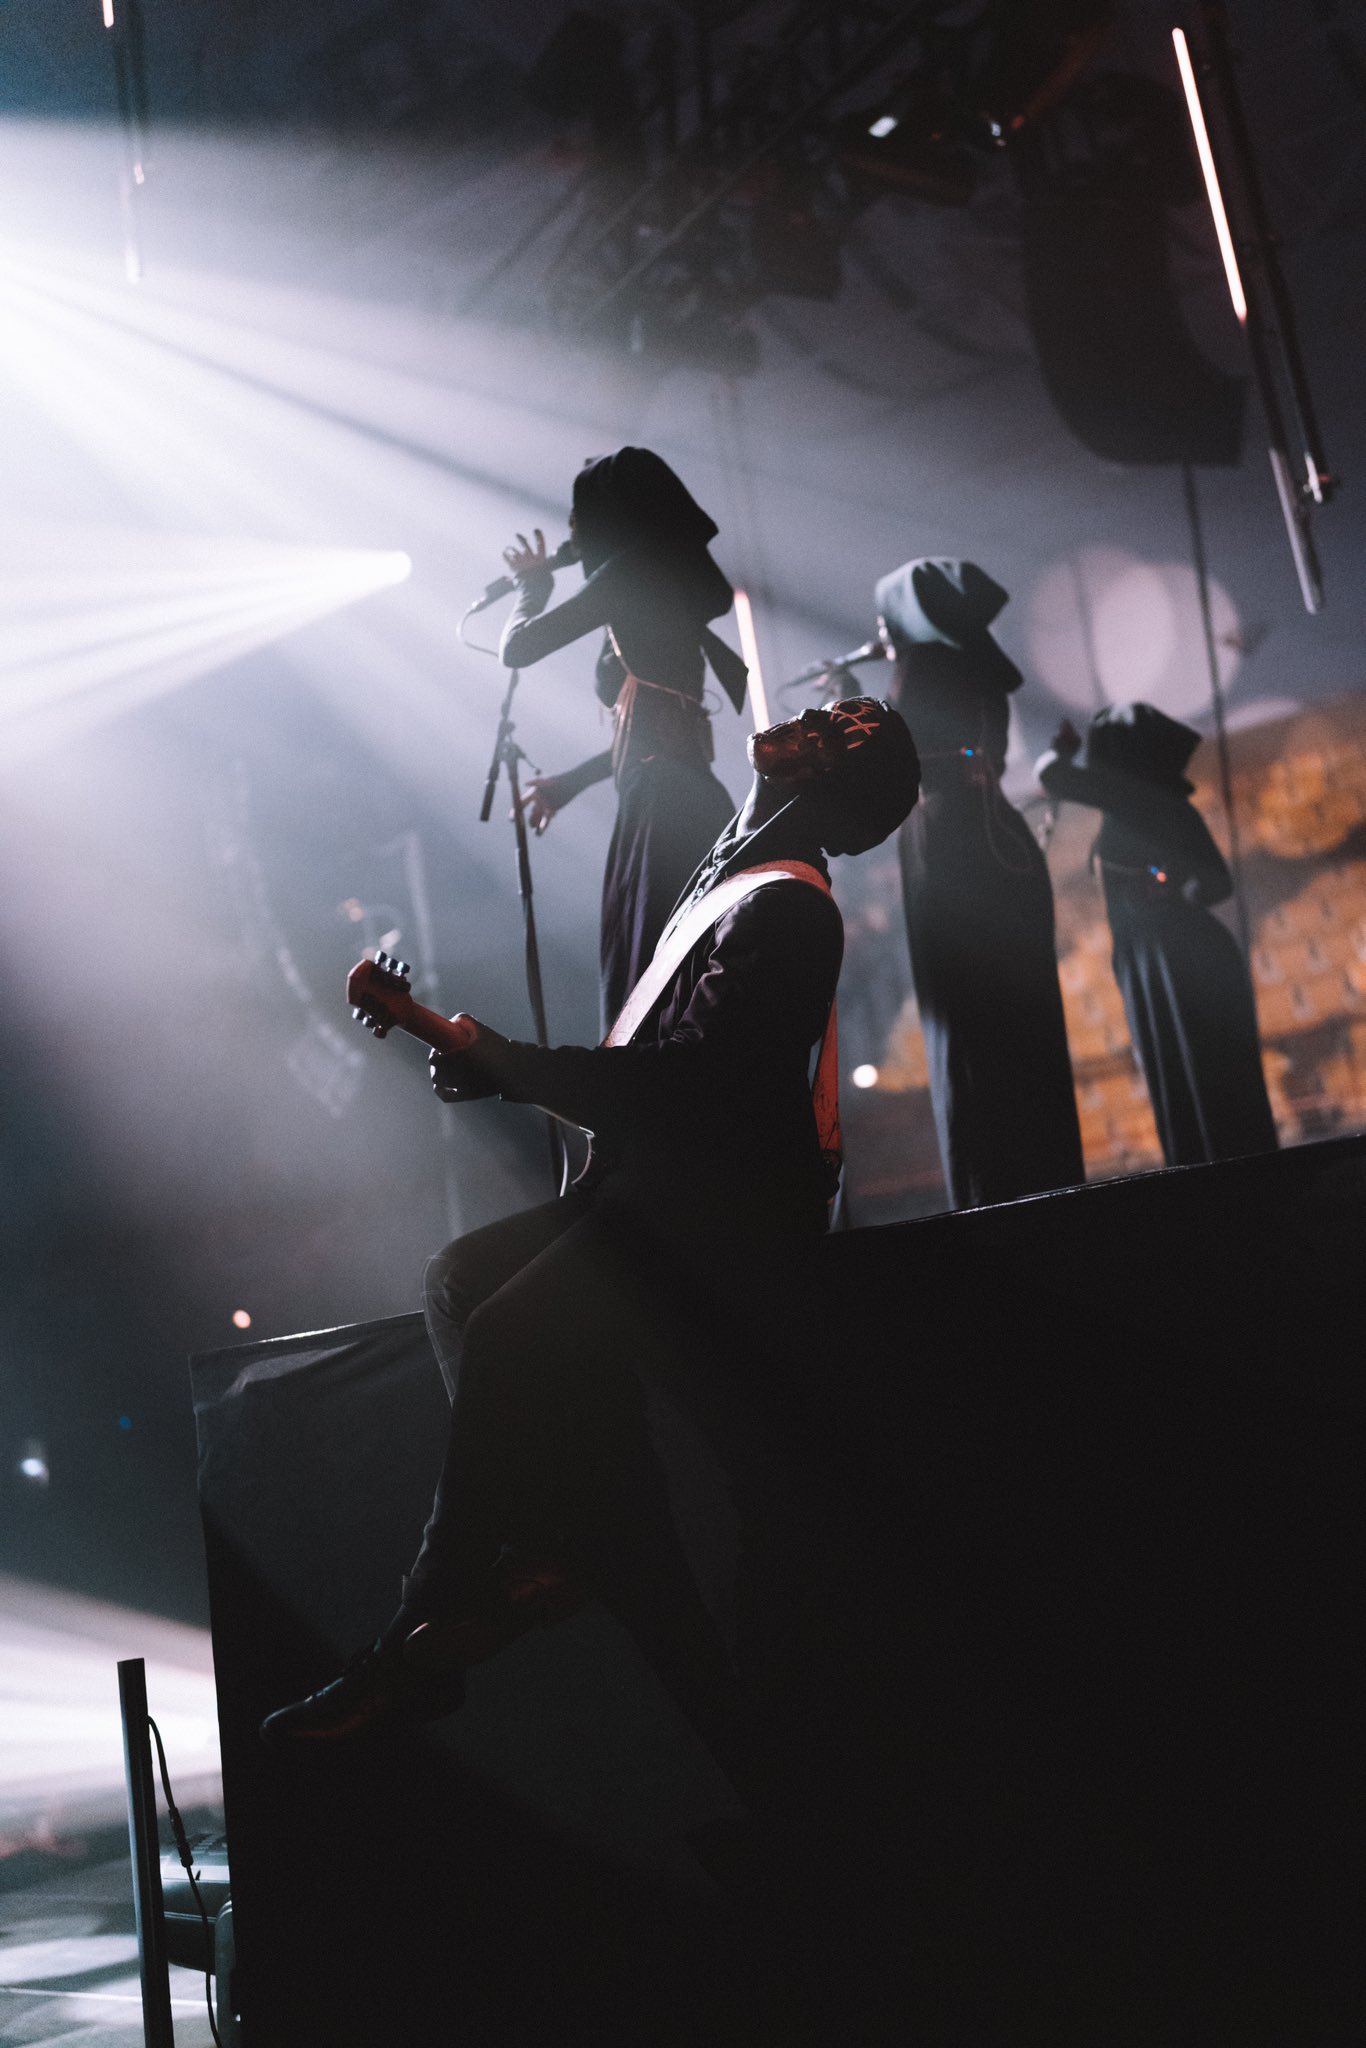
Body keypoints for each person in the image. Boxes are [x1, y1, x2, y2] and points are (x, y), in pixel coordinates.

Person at [261, 697, 920, 1761]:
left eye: (837, 726)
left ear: (830, 779)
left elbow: (692, 1092)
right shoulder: (730, 875)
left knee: (510, 1330)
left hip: (717, 1220)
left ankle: (430, 1618)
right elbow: (655, 1073)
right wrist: (496, 1069)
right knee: (458, 1278)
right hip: (655, 1190)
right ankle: (548, 1543)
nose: (808, 710)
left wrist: (509, 1065)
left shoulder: (791, 909)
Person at [500, 446, 749, 1032]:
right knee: (679, 984)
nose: (571, 532)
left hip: (660, 813)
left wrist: (531, 586)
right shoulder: (661, 580)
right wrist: (573, 782)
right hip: (677, 794)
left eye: (578, 518)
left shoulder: (629, 575)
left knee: (652, 990)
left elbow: (518, 648)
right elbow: (654, 729)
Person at [873, 557, 1084, 1209]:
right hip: (995, 839)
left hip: (951, 845)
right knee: (1018, 1028)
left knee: (969, 1026)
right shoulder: (973, 664)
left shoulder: (921, 669)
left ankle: (993, 1191)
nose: (880, 632)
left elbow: (892, 761)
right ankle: (1044, 1175)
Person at [1036, 703, 1278, 1167]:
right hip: (1166, 955)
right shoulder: (1165, 805)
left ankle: (1220, 1176)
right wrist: (1174, 886)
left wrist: (1060, 751)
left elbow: (1051, 776)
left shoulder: (1133, 798)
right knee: (1200, 1072)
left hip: (1170, 960)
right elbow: (1216, 884)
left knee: (1193, 1070)